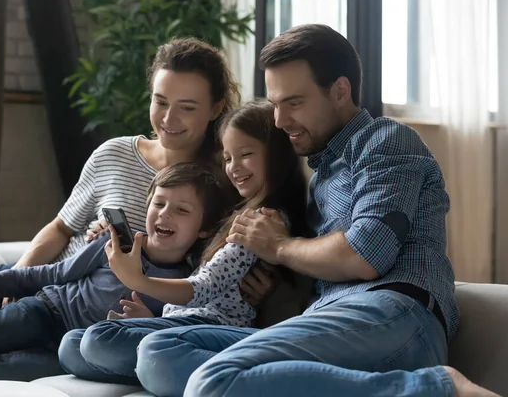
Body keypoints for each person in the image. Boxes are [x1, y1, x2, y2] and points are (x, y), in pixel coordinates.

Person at [130, 24, 501, 397]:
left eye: (293, 102)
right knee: (157, 352)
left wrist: (278, 246)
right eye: (275, 104)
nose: (279, 120)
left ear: (340, 91)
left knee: (210, 382)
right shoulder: (318, 179)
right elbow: (306, 267)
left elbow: (364, 255)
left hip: (394, 311)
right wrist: (264, 289)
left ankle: (437, 387)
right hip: (327, 321)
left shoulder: (386, 140)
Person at [0, 37, 276, 340]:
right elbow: (60, 228)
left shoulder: (223, 187)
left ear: (216, 109)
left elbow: (207, 280)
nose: (168, 119)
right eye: (160, 101)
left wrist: (256, 292)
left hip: (72, 316)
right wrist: (13, 281)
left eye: (187, 108)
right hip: (39, 279)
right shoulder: (114, 152)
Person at [0, 162, 234, 382]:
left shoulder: (185, 284)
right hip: (46, 310)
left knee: (5, 369)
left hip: (68, 348)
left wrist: (146, 321)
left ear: (205, 229)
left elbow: (170, 328)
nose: (165, 215)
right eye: (159, 204)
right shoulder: (113, 243)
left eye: (181, 210)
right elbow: (53, 273)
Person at [57, 100, 308, 383]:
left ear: (276, 155)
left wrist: (138, 280)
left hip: (208, 326)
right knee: (71, 345)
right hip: (179, 319)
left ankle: (222, 368)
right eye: (227, 158)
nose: (234, 167)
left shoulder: (262, 222)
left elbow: (204, 287)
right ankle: (154, 363)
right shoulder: (230, 211)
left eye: (245, 154)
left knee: (98, 340)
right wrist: (153, 316)